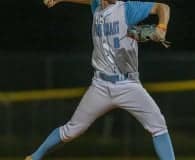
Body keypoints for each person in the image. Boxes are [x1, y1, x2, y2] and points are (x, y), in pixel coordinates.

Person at [25, 0, 175, 159]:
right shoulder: (96, 6)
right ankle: (34, 157)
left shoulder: (127, 9)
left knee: (158, 126)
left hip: (128, 85)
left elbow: (162, 7)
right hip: (100, 85)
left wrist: (161, 27)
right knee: (71, 130)